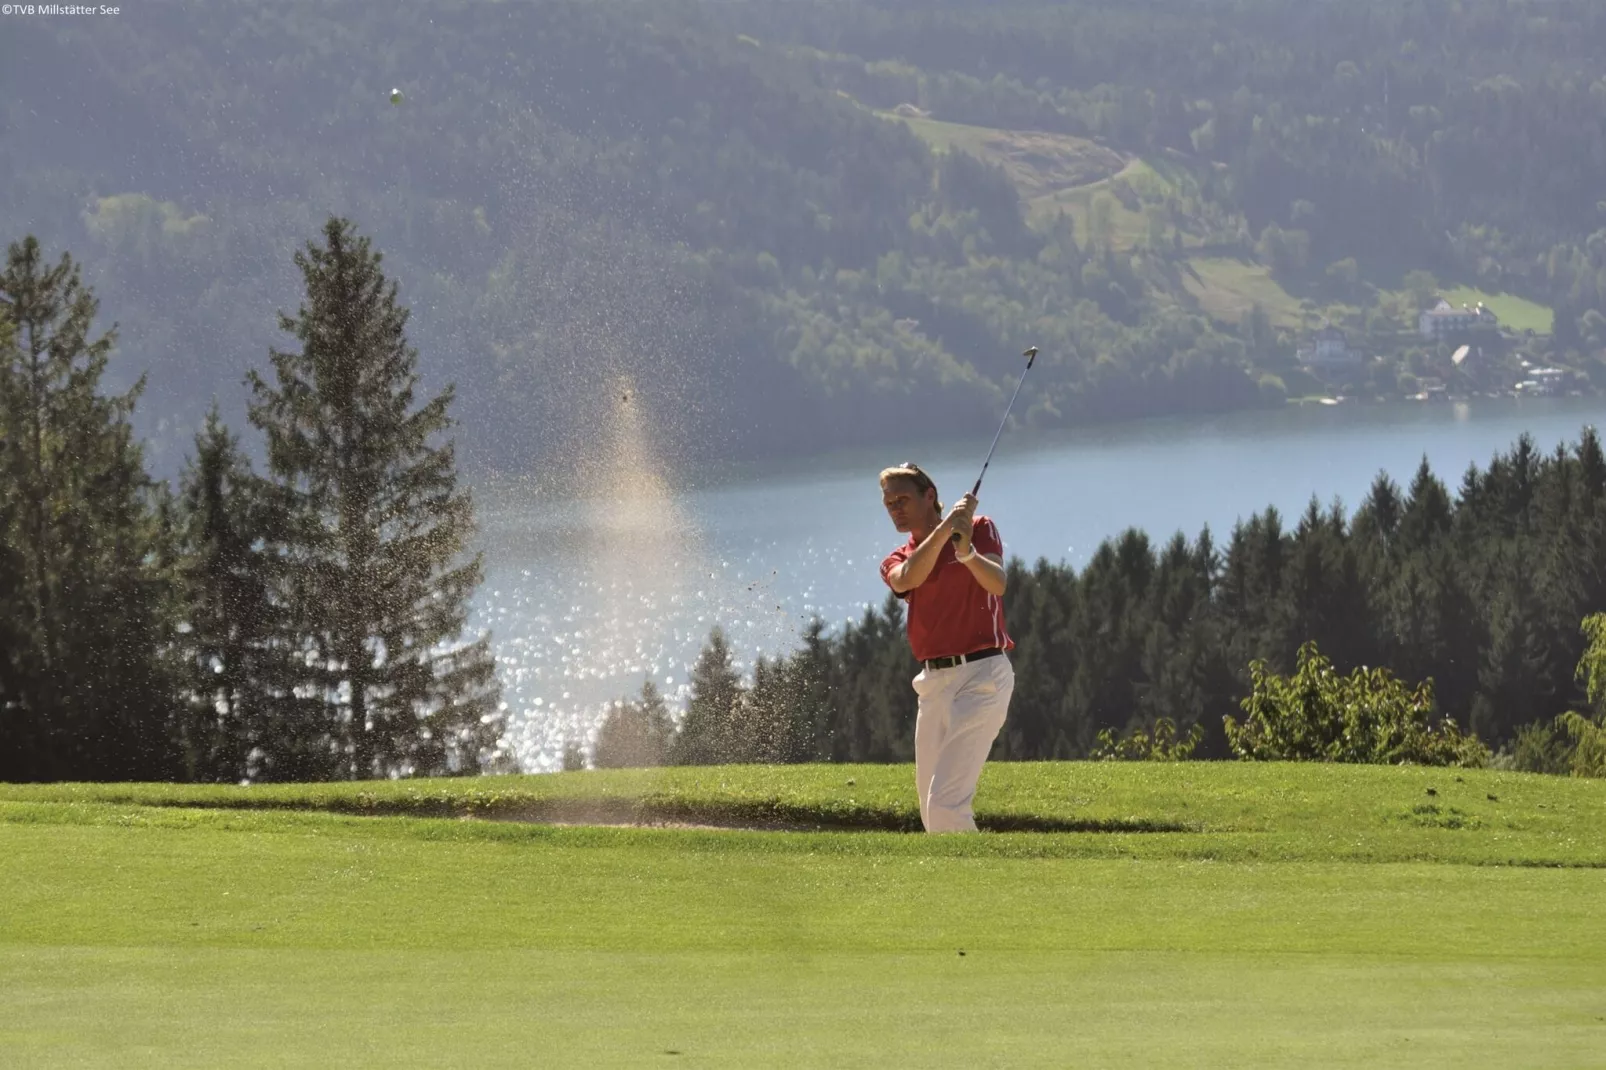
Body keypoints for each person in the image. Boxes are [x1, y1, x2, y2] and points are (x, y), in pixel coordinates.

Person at [877, 462, 1014, 833]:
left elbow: (997, 583)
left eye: (903, 499)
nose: (895, 509)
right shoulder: (899, 557)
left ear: (930, 496)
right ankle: (967, 887)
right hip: (933, 684)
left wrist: (966, 549)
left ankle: (986, 887)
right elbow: (908, 578)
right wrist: (945, 531)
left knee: (945, 807)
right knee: (931, 813)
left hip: (983, 675)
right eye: (889, 504)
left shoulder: (980, 528)